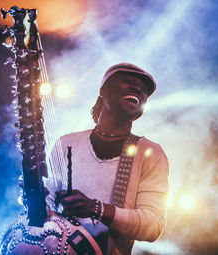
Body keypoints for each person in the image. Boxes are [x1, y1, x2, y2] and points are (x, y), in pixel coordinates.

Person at [46, 63, 169, 255]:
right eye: (127, 81)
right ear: (103, 90)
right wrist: (33, 194)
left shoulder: (151, 153)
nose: (137, 88)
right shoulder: (65, 143)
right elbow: (46, 206)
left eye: (144, 89)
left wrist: (96, 209)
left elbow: (153, 225)